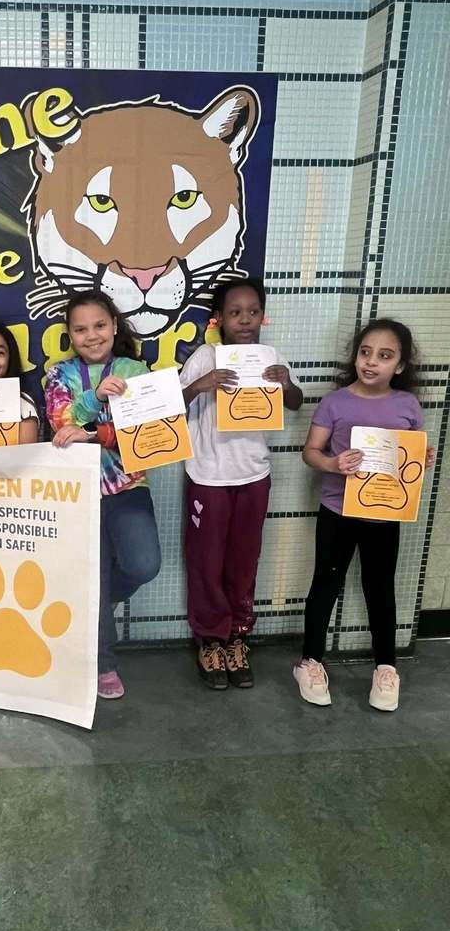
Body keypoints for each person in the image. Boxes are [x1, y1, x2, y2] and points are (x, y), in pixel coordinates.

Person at [294, 319, 434, 711]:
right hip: (337, 510)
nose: (371, 362)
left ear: (400, 366)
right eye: (365, 353)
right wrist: (333, 463)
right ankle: (309, 662)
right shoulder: (335, 403)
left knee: (380, 588)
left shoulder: (407, 406)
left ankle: (386, 668)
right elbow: (311, 452)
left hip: (385, 516)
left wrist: (420, 459)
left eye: (384, 356)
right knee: (326, 583)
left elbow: (412, 455)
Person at [180, 278, 302, 690]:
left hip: (254, 475)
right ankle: (210, 638)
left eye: (252, 311)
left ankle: (237, 636)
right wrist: (200, 385)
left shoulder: (270, 358)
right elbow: (171, 407)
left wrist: (286, 384)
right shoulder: (205, 357)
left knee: (244, 560)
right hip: (209, 477)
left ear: (262, 316)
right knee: (207, 561)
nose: (245, 320)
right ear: (219, 319)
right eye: (235, 312)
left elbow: (295, 402)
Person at [45, 290, 161, 699]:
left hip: (127, 486)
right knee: (94, 575)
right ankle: (103, 665)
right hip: (76, 491)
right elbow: (61, 425)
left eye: (99, 325)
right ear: (70, 334)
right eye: (81, 329)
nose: (91, 335)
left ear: (113, 326)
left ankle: (93, 605)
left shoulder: (135, 370)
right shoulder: (59, 374)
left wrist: (95, 434)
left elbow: (147, 435)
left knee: (143, 564)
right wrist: (95, 397)